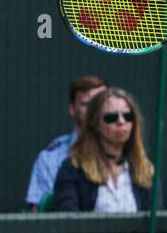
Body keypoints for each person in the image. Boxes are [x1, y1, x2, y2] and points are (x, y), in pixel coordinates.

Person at [52, 87, 153, 213]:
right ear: (95, 123)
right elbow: (69, 222)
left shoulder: (145, 170)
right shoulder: (72, 169)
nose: (121, 122)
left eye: (127, 116)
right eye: (111, 117)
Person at [25, 75, 107, 211]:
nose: (94, 110)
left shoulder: (125, 156)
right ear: (72, 110)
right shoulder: (49, 159)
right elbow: (38, 219)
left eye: (99, 104)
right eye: (87, 104)